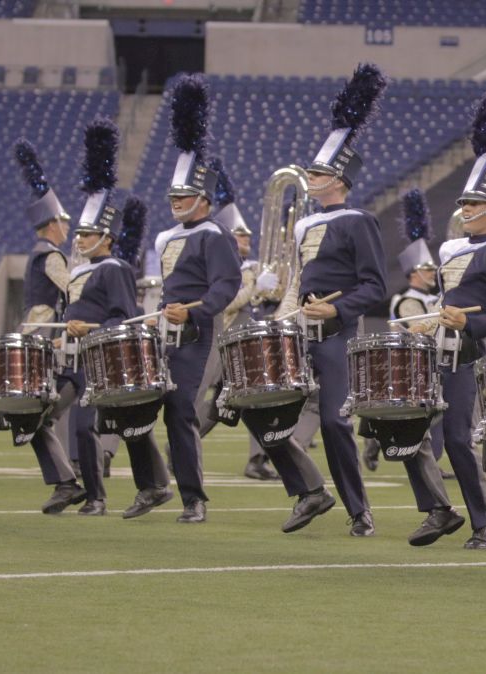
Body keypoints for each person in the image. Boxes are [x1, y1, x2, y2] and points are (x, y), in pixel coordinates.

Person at [269, 63, 389, 536]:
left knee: (338, 425)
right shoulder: (302, 225)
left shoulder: (358, 220)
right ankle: (309, 491)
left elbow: (376, 286)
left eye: (318, 171)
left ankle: (359, 510)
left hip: (337, 336)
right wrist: (284, 318)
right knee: (265, 410)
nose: (310, 176)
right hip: (300, 332)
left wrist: (336, 308)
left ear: (338, 179)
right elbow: (298, 282)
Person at [406, 88, 486, 549]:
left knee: (457, 439)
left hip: (473, 354)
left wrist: (465, 325)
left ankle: (484, 523)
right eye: (463, 203)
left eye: (473, 205)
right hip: (440, 349)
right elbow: (448, 302)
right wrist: (432, 321)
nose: (464, 211)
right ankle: (438, 509)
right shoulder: (452, 250)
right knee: (408, 430)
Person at [62, 121, 170, 516]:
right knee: (120, 426)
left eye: (88, 234)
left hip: (105, 361)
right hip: (79, 356)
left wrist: (87, 329)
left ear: (106, 238)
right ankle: (150, 486)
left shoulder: (114, 268)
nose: (80, 239)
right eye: (79, 233)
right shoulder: (84, 271)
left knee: (95, 427)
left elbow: (124, 319)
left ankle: (97, 497)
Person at [153, 74, 242, 523]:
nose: (175, 199)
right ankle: (153, 485)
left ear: (202, 198)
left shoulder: (215, 235)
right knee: (131, 401)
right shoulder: (165, 237)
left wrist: (195, 309)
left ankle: (194, 498)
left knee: (180, 408)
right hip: (163, 332)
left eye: (184, 194)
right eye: (172, 193)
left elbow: (227, 286)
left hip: (196, 333)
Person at [0, 139, 86, 513]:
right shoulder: (50, 254)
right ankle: (68, 482)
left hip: (39, 336)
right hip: (44, 338)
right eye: (65, 223)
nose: (69, 229)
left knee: (29, 411)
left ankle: (67, 483)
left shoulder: (38, 252)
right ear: (52, 225)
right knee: (21, 407)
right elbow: (73, 287)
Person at [184, 158, 279, 481]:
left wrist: (269, 287)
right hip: (220, 340)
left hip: (241, 342)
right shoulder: (226, 267)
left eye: (248, 237)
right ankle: (185, 443)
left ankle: (255, 458)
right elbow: (227, 303)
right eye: (241, 237)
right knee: (218, 397)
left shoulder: (249, 267)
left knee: (235, 400)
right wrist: (252, 286)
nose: (247, 242)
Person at [364, 187, 446, 477]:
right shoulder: (407, 299)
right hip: (409, 364)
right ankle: (375, 439)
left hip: (431, 361)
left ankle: (429, 461)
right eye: (427, 269)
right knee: (425, 412)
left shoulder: (430, 299)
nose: (432, 272)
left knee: (438, 412)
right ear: (413, 273)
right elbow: (417, 330)